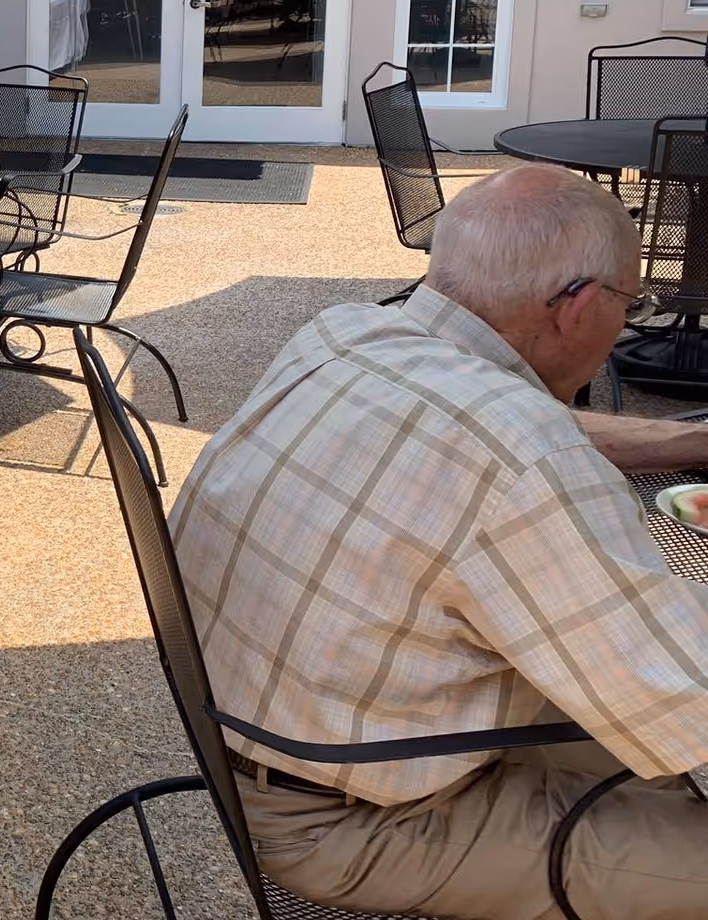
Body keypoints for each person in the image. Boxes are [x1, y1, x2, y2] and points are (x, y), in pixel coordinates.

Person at [171, 163, 708, 920]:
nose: (626, 320)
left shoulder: (346, 334)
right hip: (355, 822)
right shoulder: (524, 460)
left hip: (266, 748)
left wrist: (688, 441)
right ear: (578, 306)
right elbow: (681, 687)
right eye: (631, 302)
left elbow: (520, 431)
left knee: (638, 758)